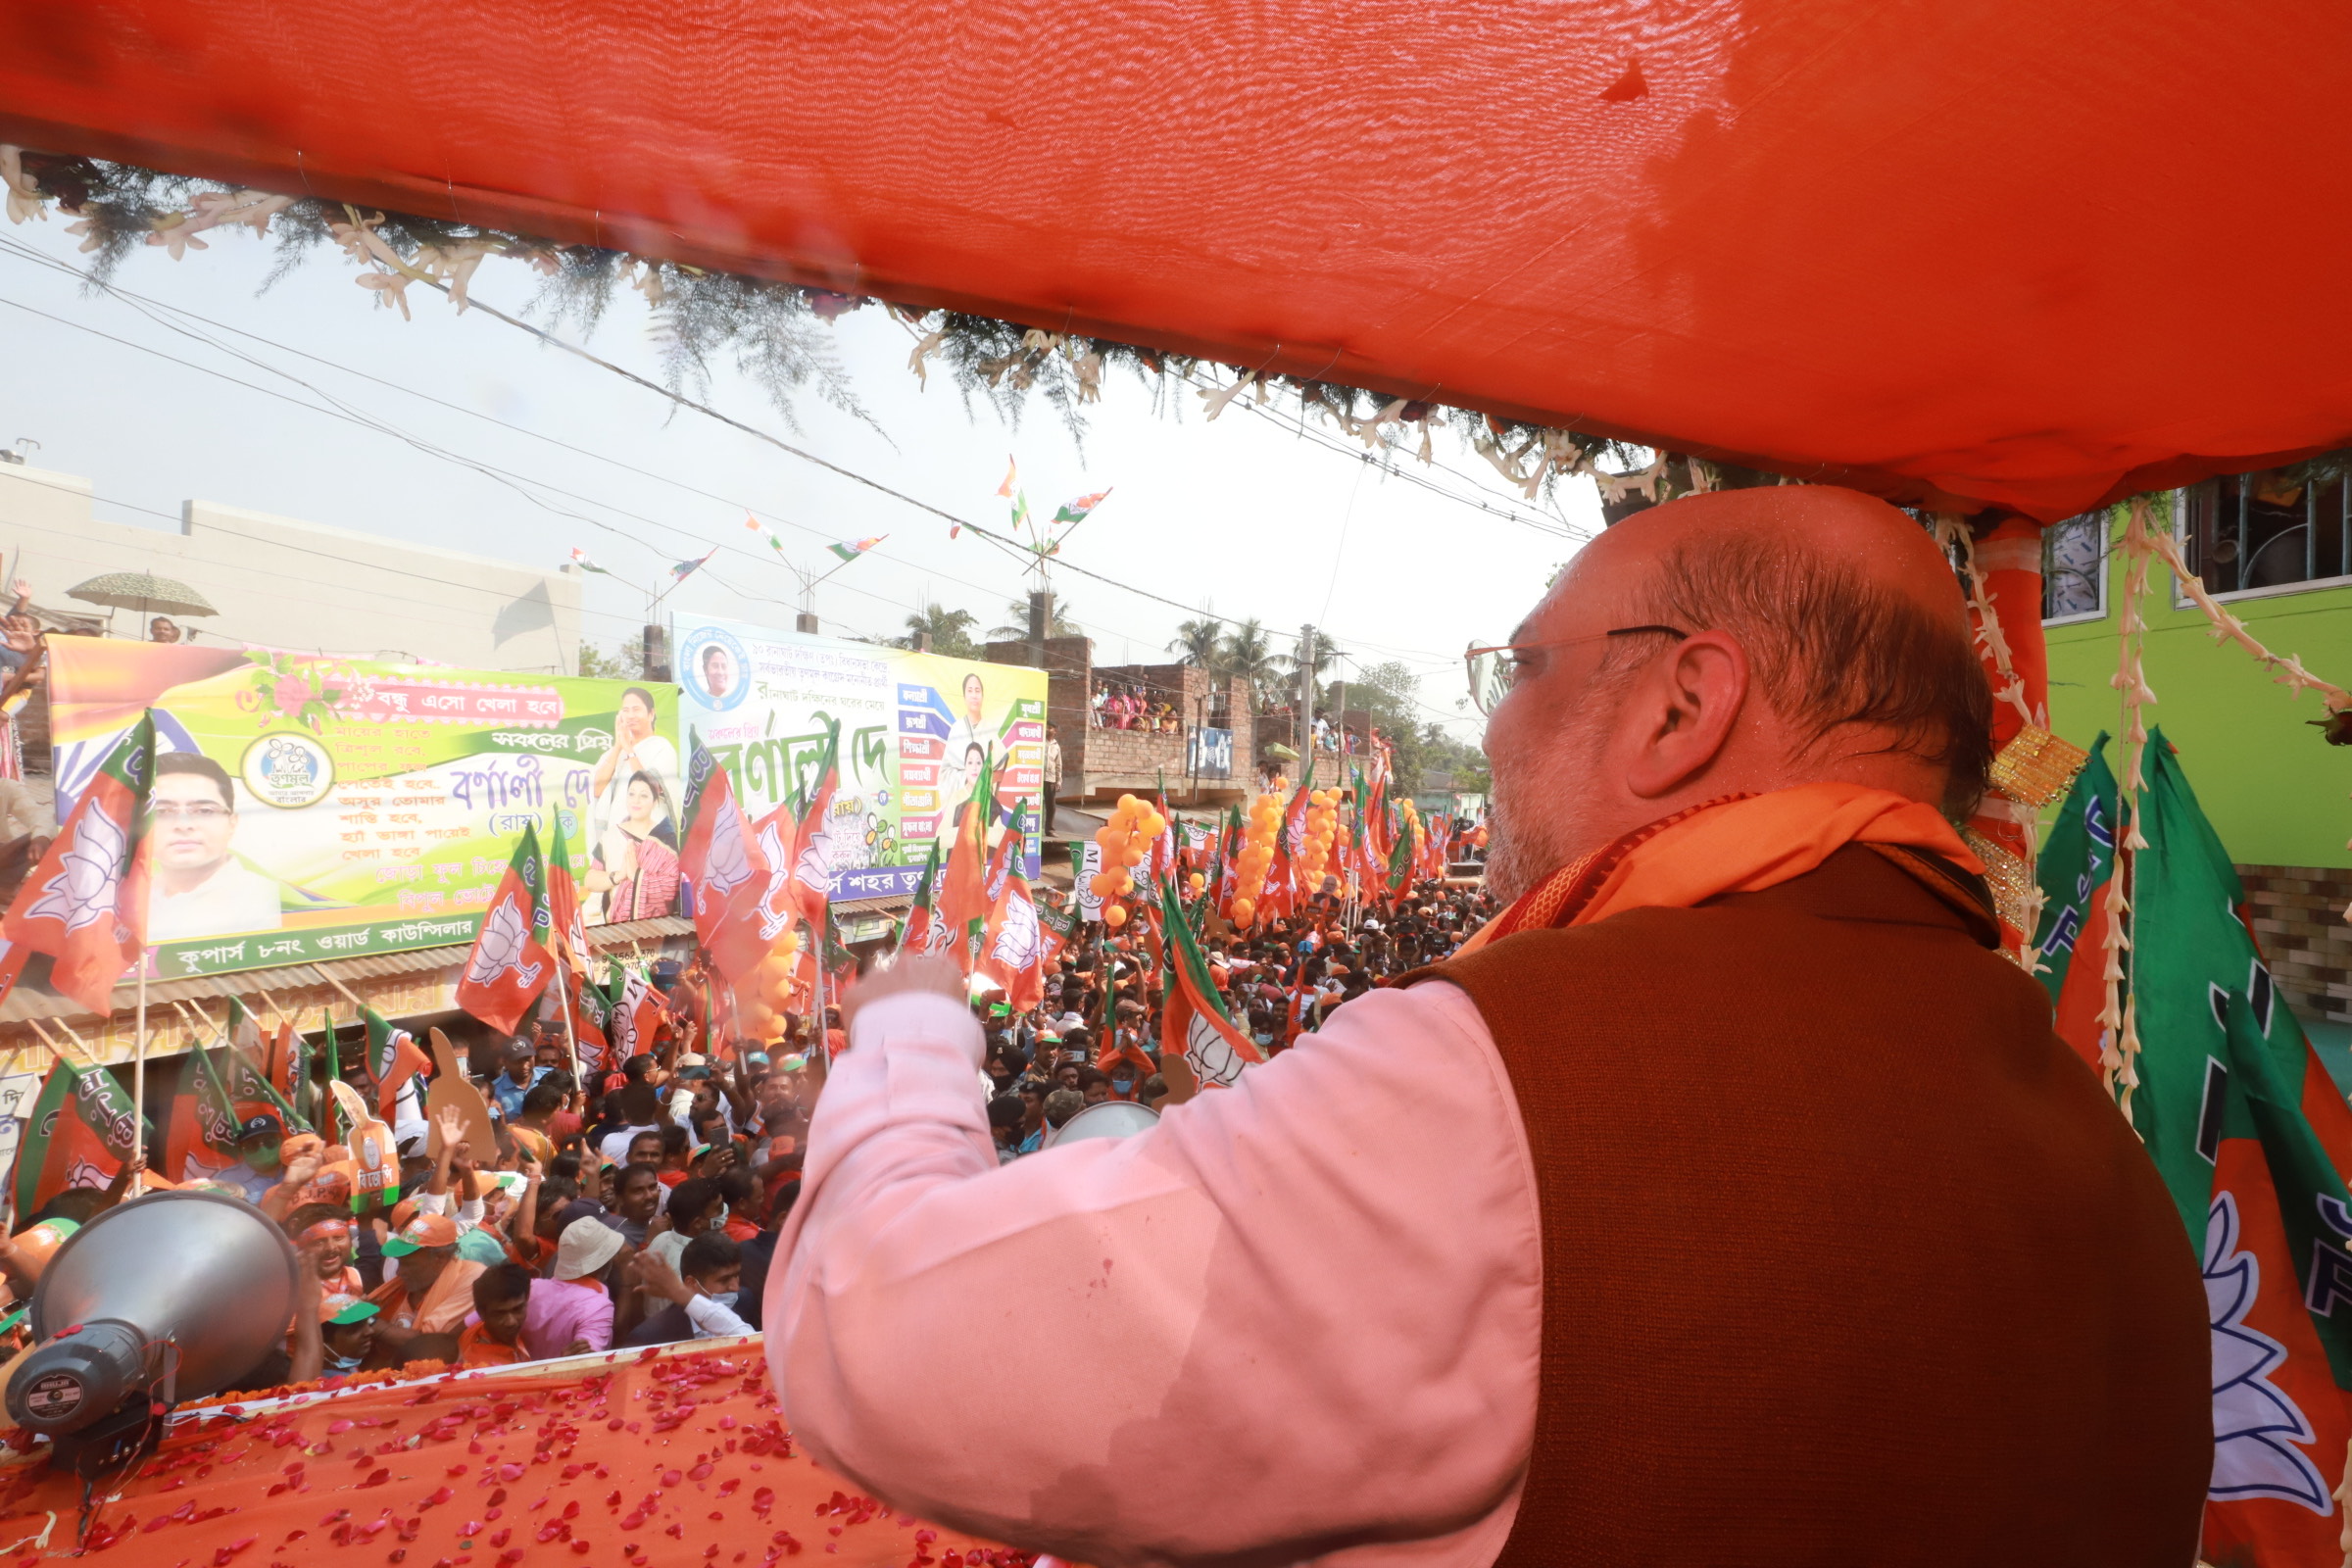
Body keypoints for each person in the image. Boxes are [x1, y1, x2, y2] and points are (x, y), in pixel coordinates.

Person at [764, 485, 2211, 1566]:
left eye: (1519, 668)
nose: (1501, 727)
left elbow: (882, 1340)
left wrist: (907, 1036)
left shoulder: (1510, 1084)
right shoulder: (2100, 1138)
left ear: (1681, 707)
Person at [145, 752, 283, 941]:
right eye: (162, 812)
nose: (184, 825)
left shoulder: (260, 894)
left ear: (232, 823)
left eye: (204, 810)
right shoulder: (133, 898)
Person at [368, 1212, 484, 1344]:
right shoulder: (401, 1287)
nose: (399, 1272)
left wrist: (368, 1320)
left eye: (408, 1264)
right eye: (399, 1262)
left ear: (440, 1257)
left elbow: (428, 1342)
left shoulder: (472, 1276)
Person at [588, 685, 678, 844]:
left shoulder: (662, 747)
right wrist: (618, 746)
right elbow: (597, 789)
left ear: (651, 714)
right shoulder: (613, 753)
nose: (630, 716)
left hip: (649, 839)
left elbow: (652, 788)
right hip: (616, 837)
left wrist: (629, 749)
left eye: (636, 709)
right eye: (625, 710)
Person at [625, 1234, 752, 1345]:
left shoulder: (745, 1301)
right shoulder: (651, 1337)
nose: (736, 1287)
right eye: (724, 1280)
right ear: (691, 1283)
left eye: (737, 1275)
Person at [458, 1264, 533, 1368]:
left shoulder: (476, 1330)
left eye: (517, 1309)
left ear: (527, 1299)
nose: (511, 1322)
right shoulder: (483, 1367)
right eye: (500, 1314)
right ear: (481, 1313)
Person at [1040, 723, 1060, 834]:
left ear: (1055, 731)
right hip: (1038, 778)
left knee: (1051, 806)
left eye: (1050, 728)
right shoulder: (1040, 742)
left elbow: (1058, 764)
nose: (1047, 729)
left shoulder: (1056, 746)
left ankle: (1049, 829)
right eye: (1046, 727)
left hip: (1050, 779)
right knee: (1036, 805)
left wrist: (1059, 780)